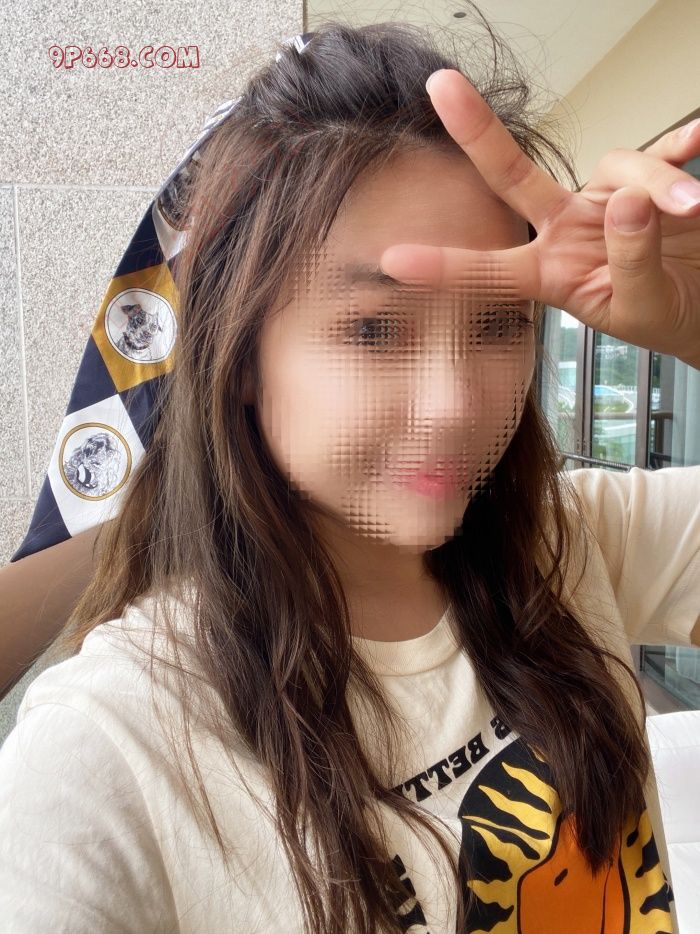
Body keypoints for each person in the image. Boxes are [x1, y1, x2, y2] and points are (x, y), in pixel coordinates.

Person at [1, 16, 699, 934]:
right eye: (374, 330)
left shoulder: (574, 544)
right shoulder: (113, 743)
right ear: (238, 356)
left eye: (500, 323)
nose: (453, 406)